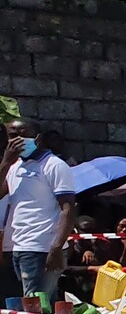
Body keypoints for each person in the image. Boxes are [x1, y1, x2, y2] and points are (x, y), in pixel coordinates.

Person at [2, 119, 77, 302]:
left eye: (23, 134)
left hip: (41, 247)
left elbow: (68, 208)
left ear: (38, 138)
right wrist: (5, 162)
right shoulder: (14, 166)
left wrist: (57, 247)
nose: (18, 140)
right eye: (12, 135)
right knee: (37, 304)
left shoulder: (54, 165)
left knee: (35, 304)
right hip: (18, 245)